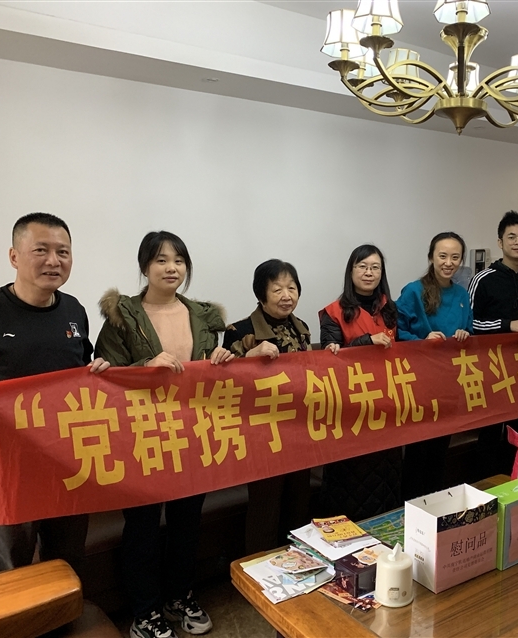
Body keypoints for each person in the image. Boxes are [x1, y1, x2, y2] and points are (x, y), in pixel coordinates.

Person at [0, 212, 109, 578]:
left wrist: (97, 371)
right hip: (7, 470)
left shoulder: (74, 311)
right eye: (41, 250)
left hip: (67, 461)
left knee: (67, 562)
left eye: (63, 252)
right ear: (14, 256)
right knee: (8, 572)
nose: (54, 260)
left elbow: (80, 368)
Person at [95, 231, 231, 638]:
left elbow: (211, 377)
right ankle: (145, 612)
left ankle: (179, 596)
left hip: (192, 435)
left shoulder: (202, 315)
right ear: (145, 267)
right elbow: (106, 378)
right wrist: (145, 367)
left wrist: (225, 358)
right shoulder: (123, 316)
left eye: (179, 260)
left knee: (188, 522)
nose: (171, 268)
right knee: (142, 527)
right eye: (161, 260)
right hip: (141, 439)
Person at [223, 259, 312, 554]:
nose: (287, 295)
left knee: (298, 502)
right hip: (262, 433)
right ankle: (258, 569)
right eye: (277, 289)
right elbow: (224, 381)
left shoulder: (302, 328)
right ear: (261, 294)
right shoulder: (239, 331)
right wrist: (249, 356)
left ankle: (300, 562)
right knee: (265, 505)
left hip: (299, 429)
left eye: (292, 288)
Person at [318, 244, 402, 521]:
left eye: (375, 267)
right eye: (362, 266)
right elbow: (331, 358)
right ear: (351, 271)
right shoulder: (333, 312)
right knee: (351, 484)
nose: (369, 273)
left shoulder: (390, 308)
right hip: (351, 409)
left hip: (388, 405)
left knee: (388, 479)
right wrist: (367, 341)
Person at [468, 211, 518, 476]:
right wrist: (506, 324)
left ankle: (516, 482)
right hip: (492, 369)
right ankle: (485, 484)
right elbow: (469, 324)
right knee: (490, 431)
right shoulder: (483, 279)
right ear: (500, 242)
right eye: (511, 237)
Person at [396, 232, 472, 499]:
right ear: (431, 257)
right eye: (442, 256)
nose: (448, 262)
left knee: (441, 449)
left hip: (449, 382)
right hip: (420, 382)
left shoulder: (462, 294)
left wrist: (465, 335)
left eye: (455, 257)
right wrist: (422, 340)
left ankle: (435, 505)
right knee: (418, 450)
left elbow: (470, 331)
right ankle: (410, 506)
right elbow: (396, 331)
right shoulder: (413, 291)